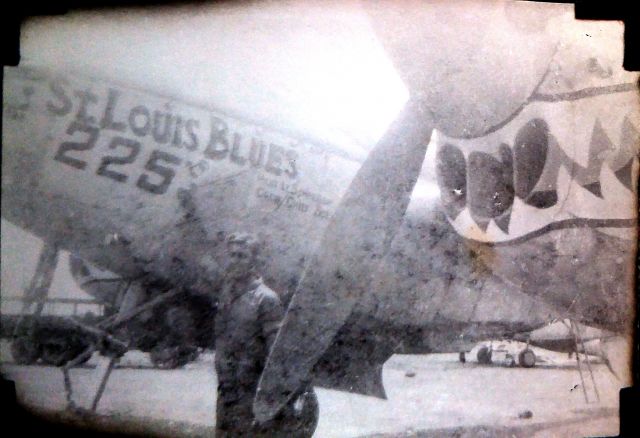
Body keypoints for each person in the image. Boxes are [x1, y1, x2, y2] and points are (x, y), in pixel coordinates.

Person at [213, 232, 285, 436]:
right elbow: (220, 336)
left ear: (255, 261)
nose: (235, 261)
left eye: (242, 256)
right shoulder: (226, 292)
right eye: (232, 255)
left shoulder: (267, 299)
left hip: (250, 391)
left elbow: (274, 353)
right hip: (226, 387)